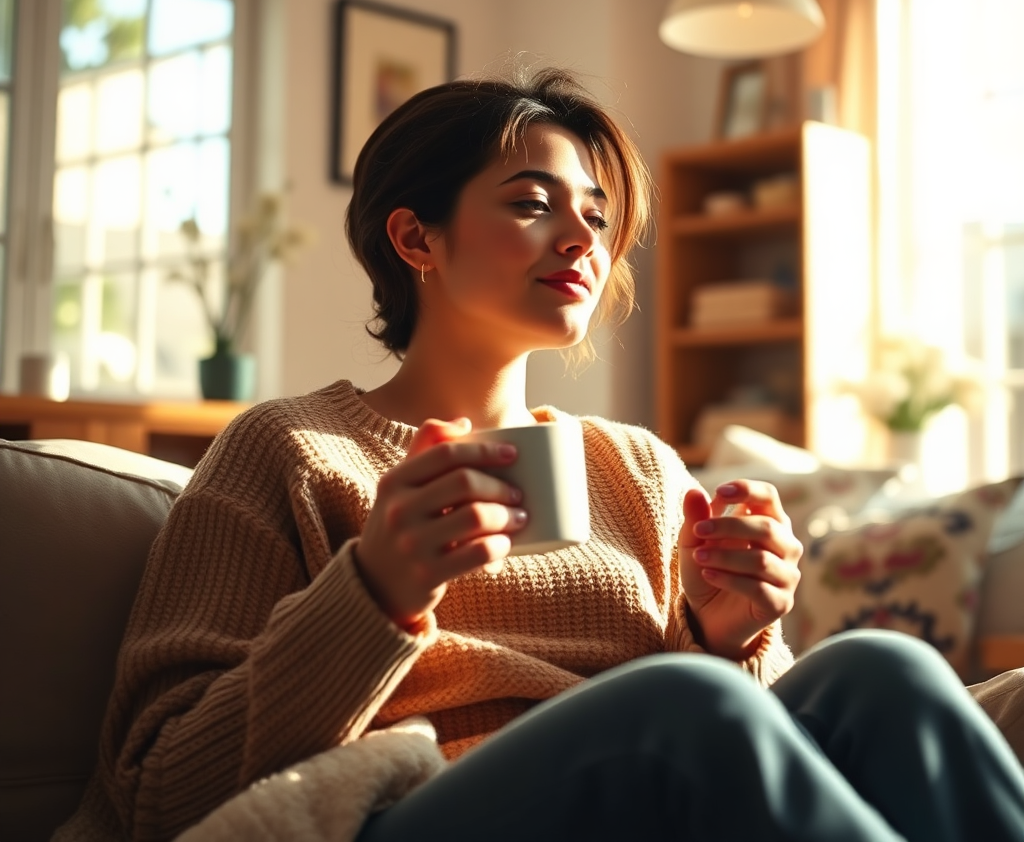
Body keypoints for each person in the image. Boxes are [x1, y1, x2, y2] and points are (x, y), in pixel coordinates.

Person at [58, 68, 1024, 842]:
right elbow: (155, 792)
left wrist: (731, 636)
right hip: (426, 805)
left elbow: (769, 757)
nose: (582, 239)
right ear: (415, 237)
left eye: (598, 217)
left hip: (652, 789)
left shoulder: (638, 467)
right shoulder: (291, 450)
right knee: (680, 704)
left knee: (880, 669)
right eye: (532, 203)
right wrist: (375, 592)